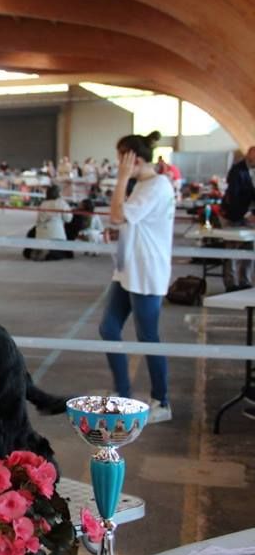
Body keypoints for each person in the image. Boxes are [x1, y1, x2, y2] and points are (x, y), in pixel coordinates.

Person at [99, 130, 174, 424]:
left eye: (122, 159)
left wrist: (120, 180)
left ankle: (161, 401)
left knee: (148, 337)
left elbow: (117, 215)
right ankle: (122, 393)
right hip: (127, 269)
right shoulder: (142, 186)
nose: (119, 165)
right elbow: (124, 219)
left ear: (134, 159)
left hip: (147, 271)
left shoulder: (156, 186)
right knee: (108, 328)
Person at [220, 146, 255, 292]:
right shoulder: (236, 170)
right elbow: (233, 197)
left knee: (249, 249)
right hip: (234, 214)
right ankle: (231, 283)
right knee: (231, 249)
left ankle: (245, 281)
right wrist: (247, 215)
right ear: (248, 155)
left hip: (251, 215)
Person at [31, 184, 74, 261]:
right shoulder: (61, 203)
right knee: (66, 253)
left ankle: (39, 251)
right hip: (56, 235)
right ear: (58, 193)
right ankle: (48, 253)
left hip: (40, 235)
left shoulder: (43, 204)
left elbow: (38, 219)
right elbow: (68, 219)